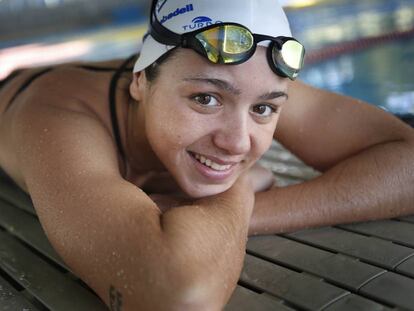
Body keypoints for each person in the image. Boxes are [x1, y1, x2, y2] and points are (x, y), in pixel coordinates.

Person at [0, 0, 413, 309]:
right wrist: (244, 183)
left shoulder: (244, 79)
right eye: (205, 99)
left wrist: (250, 206)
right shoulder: (59, 117)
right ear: (141, 82)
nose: (237, 143)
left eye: (264, 109)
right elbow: (178, 297)